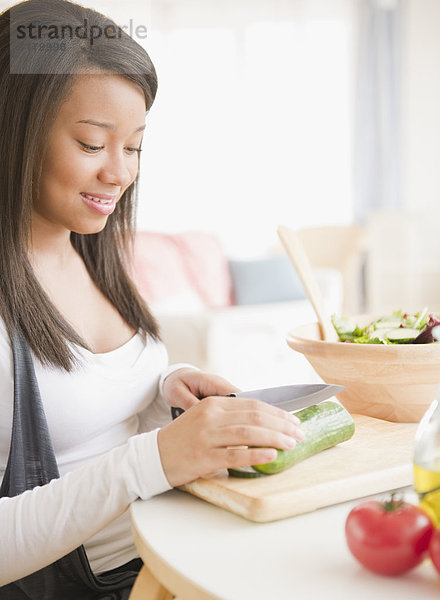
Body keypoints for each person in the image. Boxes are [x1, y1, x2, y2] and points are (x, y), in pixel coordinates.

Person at [0, 0, 304, 597]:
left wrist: (165, 389)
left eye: (134, 146)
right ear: (13, 130)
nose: (120, 173)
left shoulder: (88, 249)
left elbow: (93, 412)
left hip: (176, 559)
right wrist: (156, 458)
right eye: (92, 144)